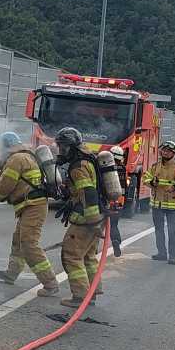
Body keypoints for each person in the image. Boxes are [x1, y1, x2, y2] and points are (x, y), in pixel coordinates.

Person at [0, 131, 58, 296]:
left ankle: (50, 283)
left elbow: (5, 187)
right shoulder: (26, 155)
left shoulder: (16, 159)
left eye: (0, 148)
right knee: (18, 240)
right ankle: (11, 274)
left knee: (29, 244)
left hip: (33, 206)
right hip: (30, 205)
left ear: (6, 146)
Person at [54, 126, 104, 307]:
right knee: (88, 256)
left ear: (70, 147)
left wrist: (93, 222)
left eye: (62, 147)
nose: (60, 151)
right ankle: (92, 292)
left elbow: (88, 192)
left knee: (71, 255)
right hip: (98, 214)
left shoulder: (78, 166)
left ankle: (80, 296)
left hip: (86, 219)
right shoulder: (88, 159)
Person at [144, 141, 175, 265]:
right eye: (163, 150)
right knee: (159, 230)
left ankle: (172, 256)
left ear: (173, 153)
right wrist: (151, 182)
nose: (165, 152)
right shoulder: (155, 166)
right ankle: (162, 253)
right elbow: (145, 178)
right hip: (157, 203)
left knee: (172, 230)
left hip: (172, 205)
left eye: (168, 151)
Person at [107, 144, 128, 257]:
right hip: (118, 202)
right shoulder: (123, 169)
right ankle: (115, 241)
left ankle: (92, 248)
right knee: (114, 225)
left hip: (105, 201)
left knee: (98, 225)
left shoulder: (105, 168)